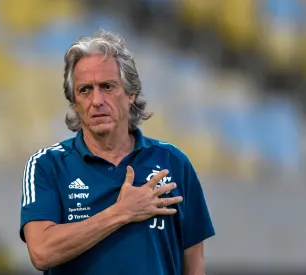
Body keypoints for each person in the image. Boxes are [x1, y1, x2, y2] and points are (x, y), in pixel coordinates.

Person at [19, 30, 215, 275]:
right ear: (74, 102)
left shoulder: (173, 163)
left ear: (131, 94)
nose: (97, 100)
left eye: (107, 87)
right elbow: (41, 252)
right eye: (85, 90)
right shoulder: (47, 165)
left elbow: (194, 265)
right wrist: (121, 213)